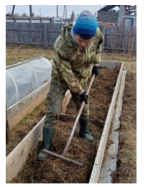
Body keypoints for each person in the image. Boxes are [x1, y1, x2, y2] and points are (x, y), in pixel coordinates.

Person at [37, 10, 104, 161]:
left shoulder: (96, 34)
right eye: (80, 40)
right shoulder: (63, 44)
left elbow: (99, 45)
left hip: (82, 75)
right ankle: (46, 146)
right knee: (53, 110)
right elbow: (66, 73)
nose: (83, 44)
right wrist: (79, 91)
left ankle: (84, 131)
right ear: (75, 32)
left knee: (84, 107)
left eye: (87, 42)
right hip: (61, 77)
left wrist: (96, 63)